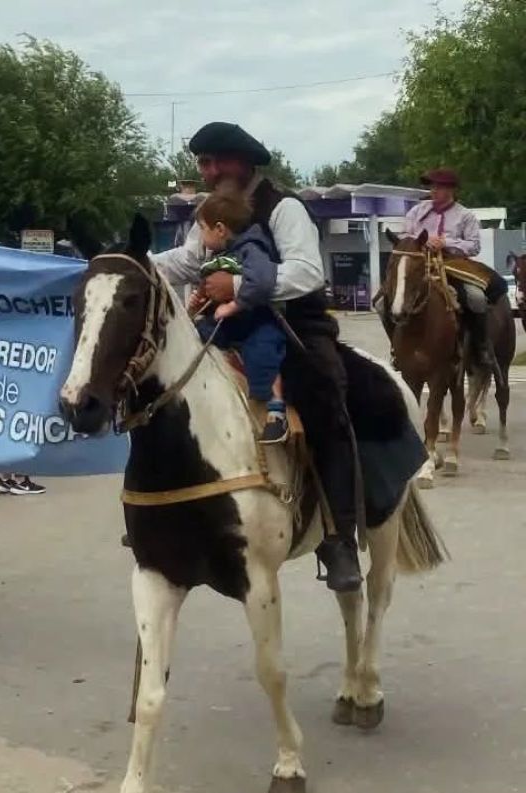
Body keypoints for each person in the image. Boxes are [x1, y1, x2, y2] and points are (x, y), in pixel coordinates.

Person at [150, 121, 361, 593]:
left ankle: (339, 536)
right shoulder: (207, 212)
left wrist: (239, 286)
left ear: (243, 162)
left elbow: (307, 271)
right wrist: (131, 264)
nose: (207, 172)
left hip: (291, 326)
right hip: (225, 326)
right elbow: (186, 262)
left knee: (328, 397)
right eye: (202, 163)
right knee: (167, 397)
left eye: (215, 161)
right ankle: (171, 514)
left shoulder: (284, 207)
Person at [187, 190, 288, 443]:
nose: (200, 236)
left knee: (263, 352)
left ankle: (275, 410)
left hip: (257, 320)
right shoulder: (221, 256)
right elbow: (210, 285)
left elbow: (262, 281)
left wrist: (234, 306)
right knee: (195, 337)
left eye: (202, 228)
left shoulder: (252, 248)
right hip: (231, 323)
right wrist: (199, 302)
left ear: (220, 229)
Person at [390, 168, 499, 368]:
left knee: (475, 298)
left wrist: (445, 242)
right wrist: (422, 240)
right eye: (431, 186)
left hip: (453, 263)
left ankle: (481, 346)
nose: (433, 190)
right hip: (419, 262)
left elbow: (474, 246)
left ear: (451, 190)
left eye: (438, 186)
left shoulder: (465, 216)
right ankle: (397, 349)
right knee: (384, 300)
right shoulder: (417, 211)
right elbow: (406, 235)